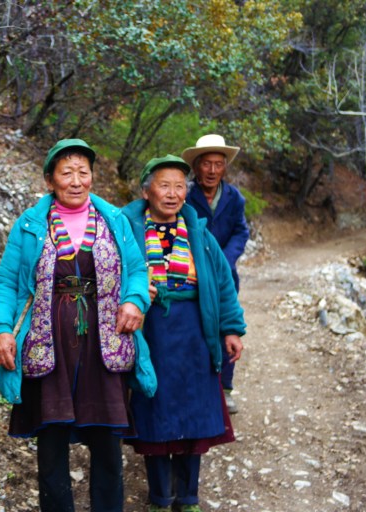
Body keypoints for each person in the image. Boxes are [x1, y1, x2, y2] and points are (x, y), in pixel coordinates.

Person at [0, 139, 156, 512]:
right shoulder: (30, 224)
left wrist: (134, 300)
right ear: (50, 180)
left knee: (108, 446)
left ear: (92, 177)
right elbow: (6, 281)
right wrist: (1, 328)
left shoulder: (115, 220)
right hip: (49, 344)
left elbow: (138, 271)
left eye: (83, 172)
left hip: (104, 342)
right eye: (67, 173)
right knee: (51, 445)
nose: (76, 180)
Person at [123, 155, 246, 512]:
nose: (173, 193)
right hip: (152, 334)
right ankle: (160, 498)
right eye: (165, 185)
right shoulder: (126, 229)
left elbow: (221, 283)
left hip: (195, 332)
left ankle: (188, 497)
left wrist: (231, 328)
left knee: (194, 414)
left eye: (180, 186)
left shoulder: (199, 234)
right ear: (147, 190)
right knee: (155, 411)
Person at [182, 134, 249, 414]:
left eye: (218, 164)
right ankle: (195, 385)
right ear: (196, 167)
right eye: (206, 164)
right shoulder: (183, 194)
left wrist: (225, 260)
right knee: (193, 325)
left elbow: (240, 231)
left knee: (226, 327)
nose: (212, 170)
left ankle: (225, 388)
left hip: (224, 276)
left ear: (225, 168)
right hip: (189, 273)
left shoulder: (234, 198)